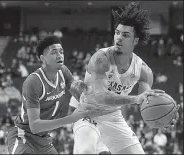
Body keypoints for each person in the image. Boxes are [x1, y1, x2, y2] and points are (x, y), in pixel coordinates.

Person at [73, 2, 180, 154]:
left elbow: (146, 100)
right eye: (117, 32)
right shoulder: (101, 59)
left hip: (113, 117)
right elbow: (101, 96)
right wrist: (135, 99)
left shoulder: (143, 71)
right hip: (88, 115)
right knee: (87, 151)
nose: (118, 38)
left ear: (135, 41)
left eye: (125, 35)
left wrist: (165, 117)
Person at [6, 36, 112, 154]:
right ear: (43, 58)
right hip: (24, 136)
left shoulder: (63, 72)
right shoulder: (33, 82)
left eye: (61, 51)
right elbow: (35, 126)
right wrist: (71, 118)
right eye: (54, 52)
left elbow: (80, 95)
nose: (60, 55)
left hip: (44, 140)